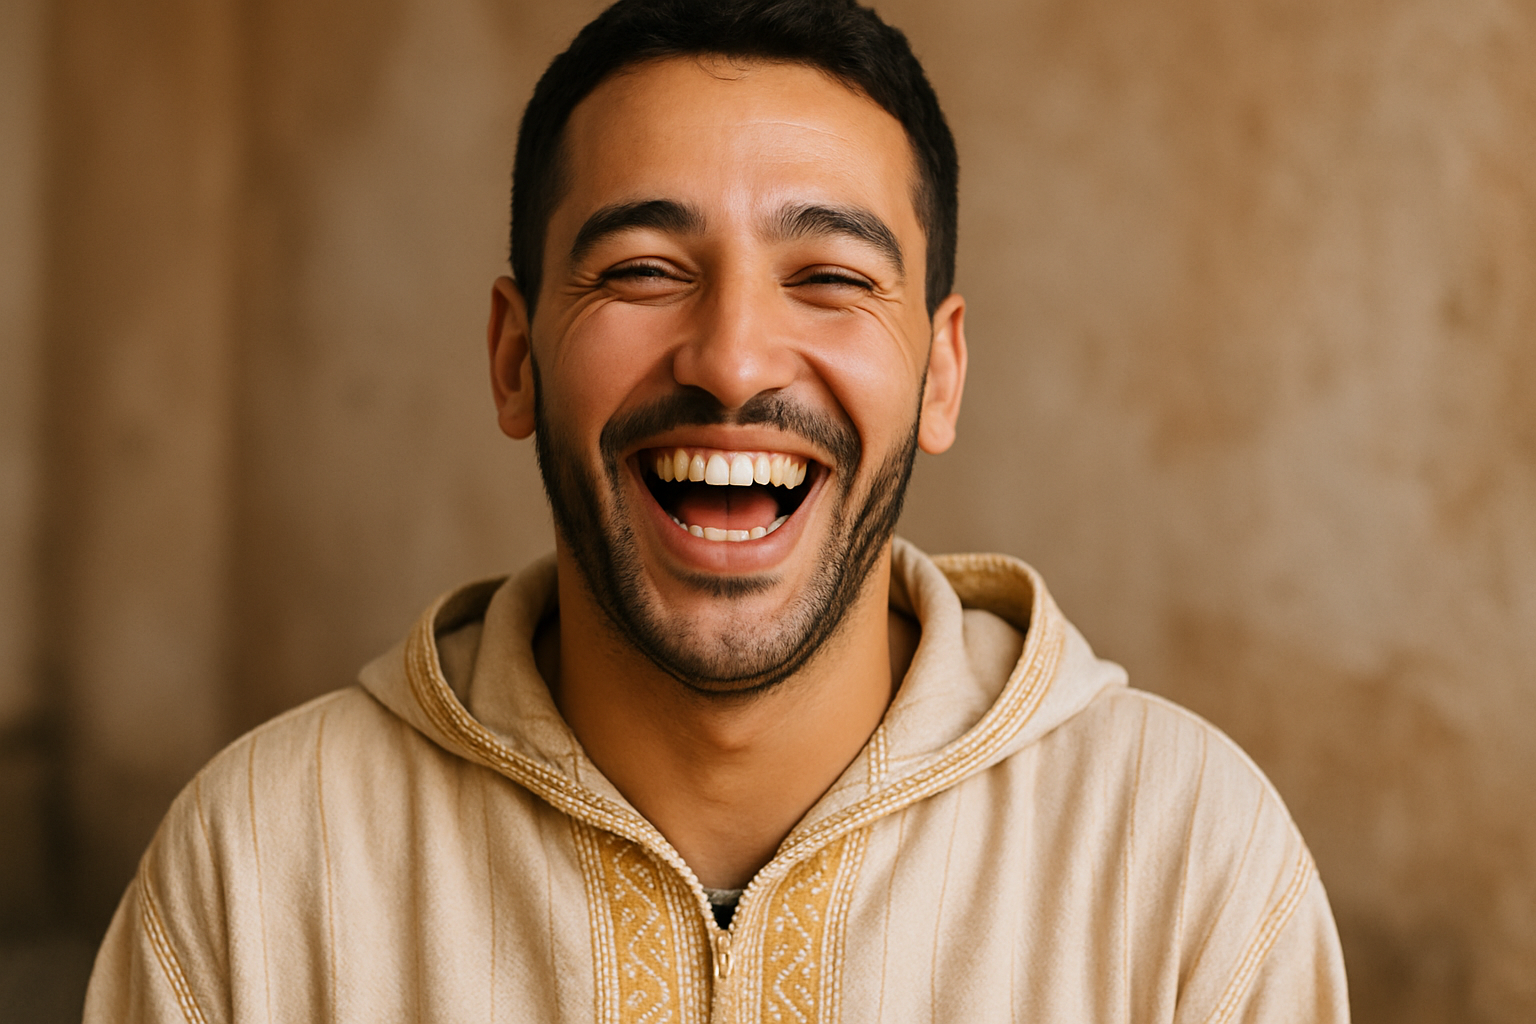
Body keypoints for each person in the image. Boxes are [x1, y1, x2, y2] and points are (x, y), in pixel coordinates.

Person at [84, 1, 1350, 1020]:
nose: (734, 360)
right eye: (642, 269)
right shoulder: (256, 870)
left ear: (942, 369)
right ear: (515, 356)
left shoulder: (1184, 860)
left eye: (831, 278)